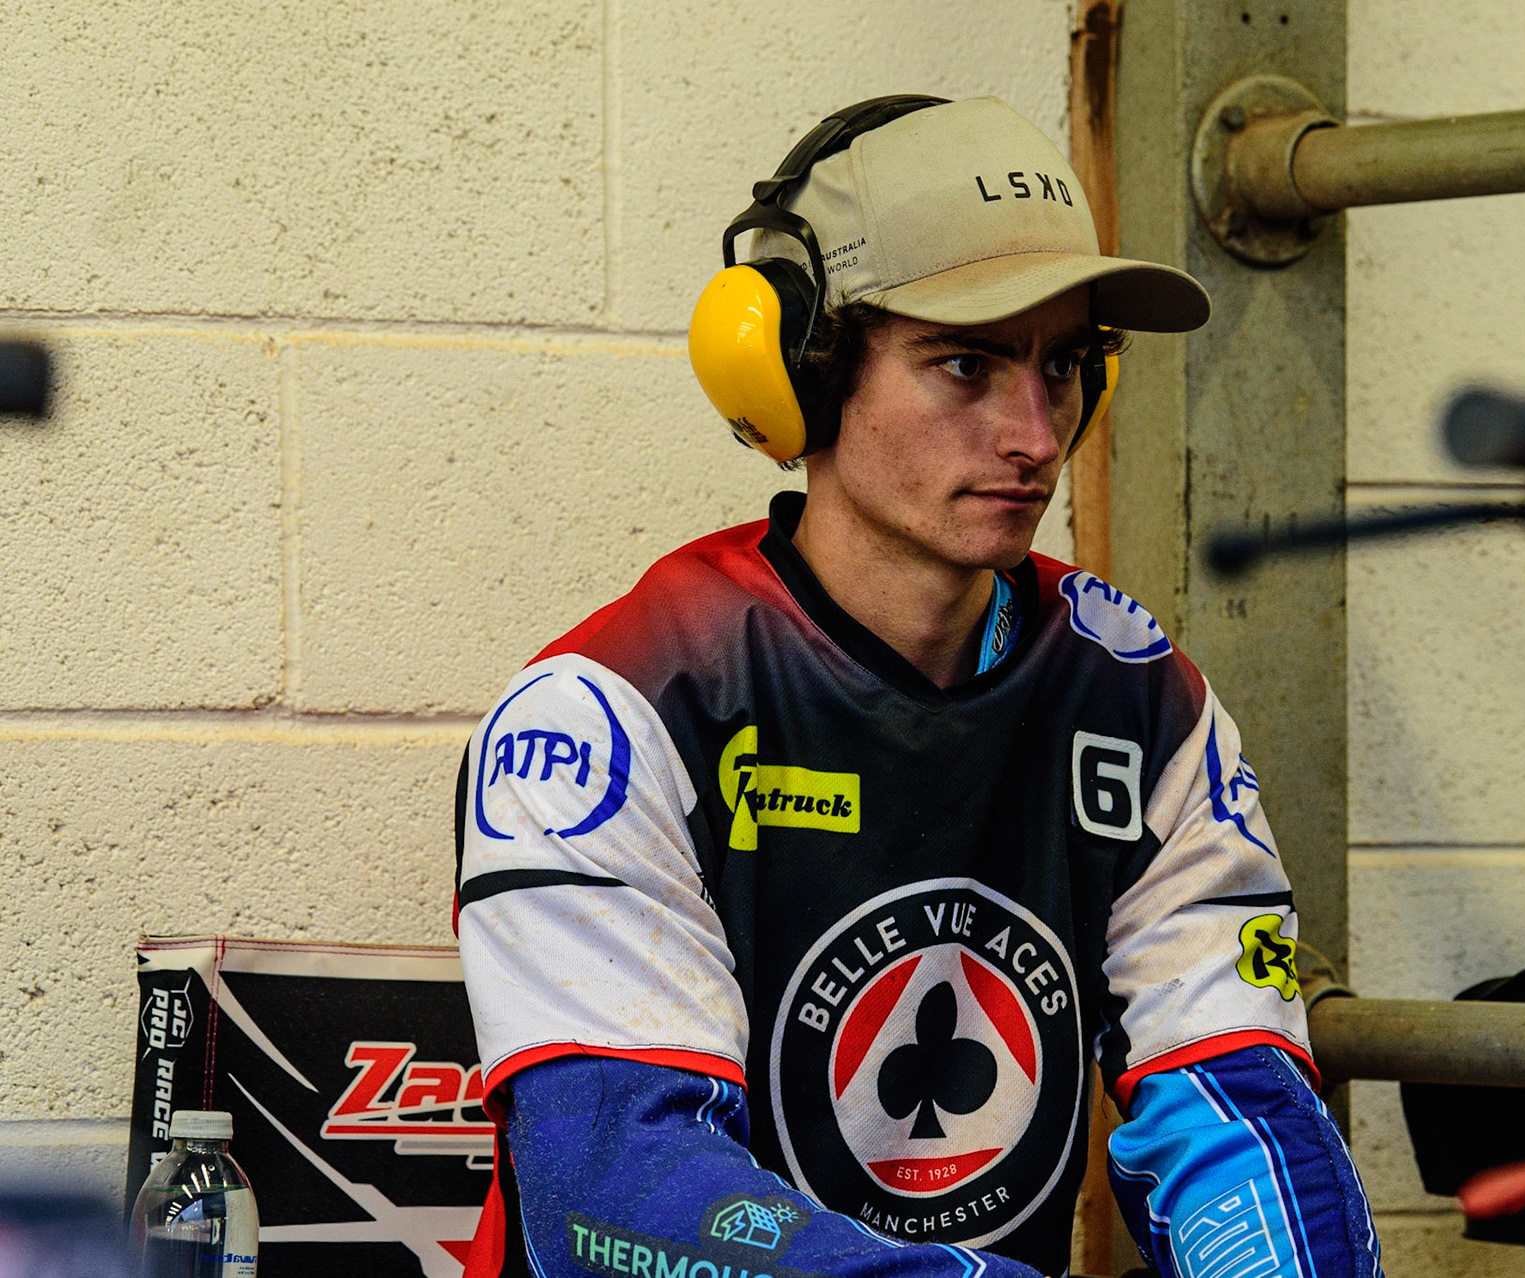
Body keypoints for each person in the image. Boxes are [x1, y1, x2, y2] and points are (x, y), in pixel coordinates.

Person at [454, 94, 1381, 1278]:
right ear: (801, 368)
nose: (1037, 435)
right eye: (965, 364)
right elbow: (618, 1196)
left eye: (1064, 366)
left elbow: (1236, 1109)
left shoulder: (1144, 706)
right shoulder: (612, 714)